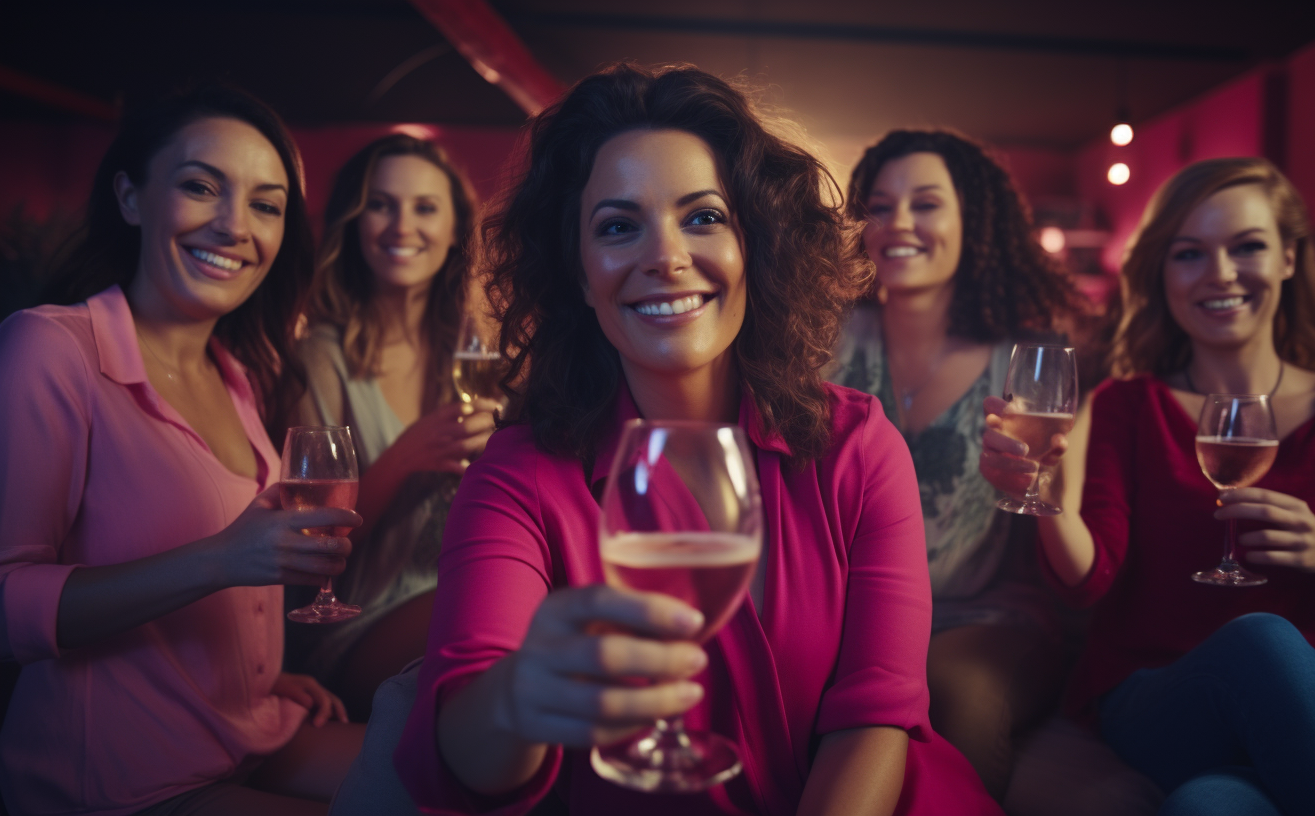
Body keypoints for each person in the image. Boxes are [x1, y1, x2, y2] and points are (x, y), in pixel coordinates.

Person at [392, 64, 1001, 815]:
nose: (667, 256)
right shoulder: (517, 478)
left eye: (704, 217)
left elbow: (876, 719)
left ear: (757, 243)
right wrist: (516, 698)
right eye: (619, 227)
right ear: (579, 276)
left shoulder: (858, 446)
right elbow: (458, 759)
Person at [982, 157, 1315, 815]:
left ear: (1288, 256)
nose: (1220, 273)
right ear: (1162, 275)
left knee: (1206, 806)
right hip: (1172, 697)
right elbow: (1090, 581)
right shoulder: (1126, 407)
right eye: (1189, 253)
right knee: (1262, 638)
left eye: (1247, 246)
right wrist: (1047, 494)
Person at [0, 85, 365, 816]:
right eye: (202, 187)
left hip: (241, 724)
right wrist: (223, 559)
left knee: (445, 771)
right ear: (131, 198)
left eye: (266, 204)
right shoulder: (52, 348)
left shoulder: (234, 374)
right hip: (114, 776)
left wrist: (254, 678)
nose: (235, 226)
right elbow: (7, 604)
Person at [830, 130, 1080, 801]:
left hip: (984, 616)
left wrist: (1042, 483)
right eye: (878, 206)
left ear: (975, 223)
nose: (898, 223)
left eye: (926, 204)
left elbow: (1069, 527)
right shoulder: (825, 339)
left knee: (956, 690)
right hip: (853, 607)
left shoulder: (1030, 360)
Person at [291, 134, 493, 720]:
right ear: (354, 222)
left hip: (463, 588)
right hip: (355, 619)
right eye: (381, 204)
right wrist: (403, 458)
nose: (402, 225)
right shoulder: (320, 357)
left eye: (425, 207)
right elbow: (310, 548)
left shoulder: (476, 353)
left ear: (456, 229)